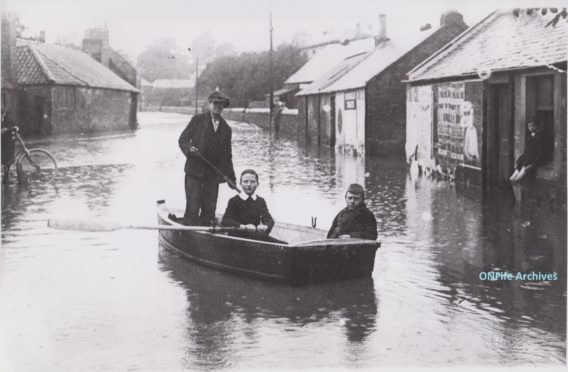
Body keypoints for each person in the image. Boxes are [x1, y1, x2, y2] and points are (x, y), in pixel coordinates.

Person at [179, 90, 236, 226]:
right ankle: (189, 238)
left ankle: (205, 240)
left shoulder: (226, 129)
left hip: (212, 176)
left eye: (221, 104)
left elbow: (227, 156)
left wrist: (231, 178)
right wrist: (189, 149)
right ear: (209, 104)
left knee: (209, 212)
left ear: (224, 107)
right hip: (194, 173)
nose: (218, 107)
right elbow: (183, 139)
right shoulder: (197, 120)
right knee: (193, 209)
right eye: (215, 103)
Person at [221, 169, 285, 243]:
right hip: (237, 238)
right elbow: (225, 220)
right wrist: (243, 226)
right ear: (240, 184)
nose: (249, 184)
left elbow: (269, 220)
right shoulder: (234, 201)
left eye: (252, 182)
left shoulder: (260, 201)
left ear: (257, 184)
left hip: (254, 237)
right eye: (245, 181)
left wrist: (265, 226)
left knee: (284, 244)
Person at [509, 119, 543, 202]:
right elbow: (525, 151)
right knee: (511, 179)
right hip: (524, 161)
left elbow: (540, 155)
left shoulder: (539, 138)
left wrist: (532, 165)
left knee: (517, 180)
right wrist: (518, 160)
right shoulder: (529, 137)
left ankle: (519, 201)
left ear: (536, 126)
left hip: (529, 163)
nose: (531, 128)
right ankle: (517, 200)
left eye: (532, 126)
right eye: (529, 126)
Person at [1, 110, 16, 184]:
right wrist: (8, 129)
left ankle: (5, 178)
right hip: (3, 143)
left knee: (8, 159)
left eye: (2, 114)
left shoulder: (7, 120)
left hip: (6, 143)